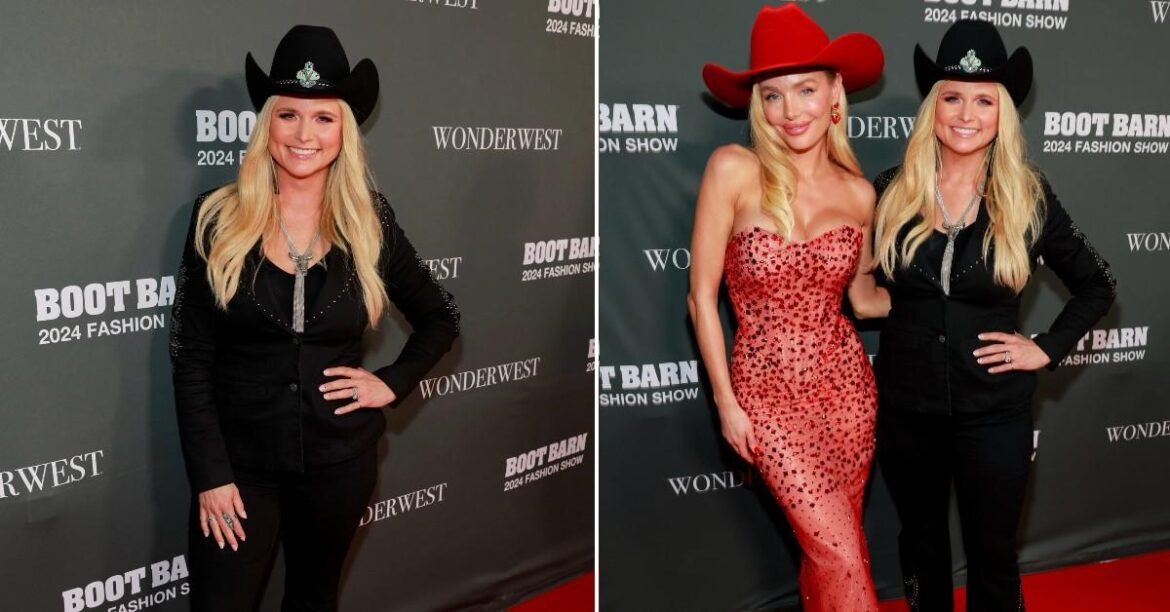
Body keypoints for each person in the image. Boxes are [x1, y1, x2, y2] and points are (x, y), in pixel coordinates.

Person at [170, 25, 459, 611]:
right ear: (267, 125)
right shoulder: (215, 217)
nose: (305, 135)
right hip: (240, 466)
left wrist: (390, 383)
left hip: (339, 462)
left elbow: (441, 315)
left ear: (344, 131)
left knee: (313, 599)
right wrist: (210, 475)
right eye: (289, 115)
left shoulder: (370, 221)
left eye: (324, 118)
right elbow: (190, 354)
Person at [872, 20, 1115, 611]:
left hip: (994, 411)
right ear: (933, 108)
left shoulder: (1029, 196)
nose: (966, 114)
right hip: (907, 406)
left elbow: (1097, 284)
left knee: (994, 554)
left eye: (984, 101)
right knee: (920, 544)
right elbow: (854, 284)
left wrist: (1046, 346)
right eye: (952, 97)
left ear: (1003, 112)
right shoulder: (889, 190)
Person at [689, 5, 888, 610]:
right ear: (758, 105)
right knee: (840, 551)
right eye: (773, 95)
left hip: (847, 393)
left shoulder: (861, 193)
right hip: (765, 395)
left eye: (806, 89)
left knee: (830, 550)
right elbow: (700, 297)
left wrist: (941, 295)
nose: (790, 109)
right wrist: (727, 403)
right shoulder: (734, 169)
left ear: (835, 93)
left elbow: (863, 300)